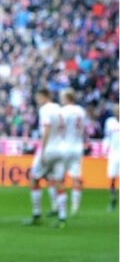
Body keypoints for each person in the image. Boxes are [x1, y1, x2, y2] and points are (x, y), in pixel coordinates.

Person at [24, 88, 67, 227]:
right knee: (59, 182)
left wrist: (42, 151)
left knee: (34, 178)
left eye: (39, 97)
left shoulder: (45, 109)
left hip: (49, 149)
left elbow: (46, 129)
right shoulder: (59, 109)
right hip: (61, 149)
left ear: (45, 96)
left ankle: (36, 215)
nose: (37, 100)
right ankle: (62, 218)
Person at [60, 88, 87, 216]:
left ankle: (61, 206)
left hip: (65, 146)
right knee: (76, 176)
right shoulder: (81, 111)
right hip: (78, 147)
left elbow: (61, 128)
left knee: (60, 177)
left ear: (67, 98)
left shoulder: (64, 111)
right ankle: (75, 207)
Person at [103, 104, 119, 211]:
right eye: (116, 111)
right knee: (112, 177)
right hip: (113, 153)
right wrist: (105, 148)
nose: (117, 113)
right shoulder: (110, 122)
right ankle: (113, 199)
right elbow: (107, 136)